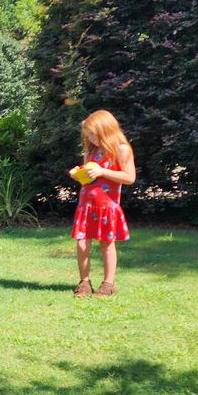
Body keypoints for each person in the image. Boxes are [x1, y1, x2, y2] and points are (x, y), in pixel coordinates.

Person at [71, 110, 136, 297]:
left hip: (107, 207)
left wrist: (101, 172)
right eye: (88, 135)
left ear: (106, 129)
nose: (91, 139)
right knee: (82, 244)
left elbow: (129, 177)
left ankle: (108, 284)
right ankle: (84, 282)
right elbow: (91, 176)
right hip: (87, 205)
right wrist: (79, 174)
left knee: (107, 244)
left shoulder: (121, 149)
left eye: (93, 134)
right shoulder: (93, 151)